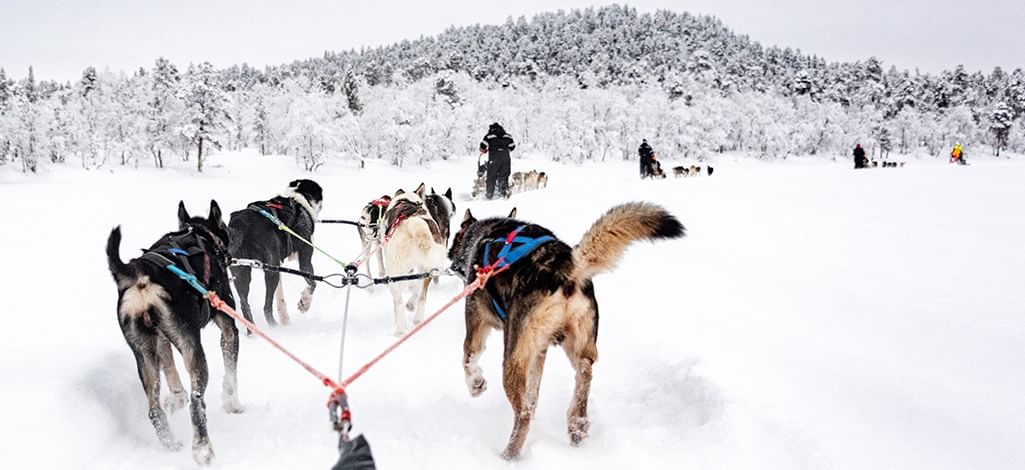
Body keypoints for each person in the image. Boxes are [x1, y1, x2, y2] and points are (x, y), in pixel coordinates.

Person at [479, 122, 515, 199]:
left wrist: (484, 150)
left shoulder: (489, 136)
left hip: (494, 158)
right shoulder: (508, 136)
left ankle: (489, 194)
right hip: (505, 158)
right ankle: (503, 194)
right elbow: (512, 147)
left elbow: (482, 146)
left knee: (491, 177)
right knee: (504, 176)